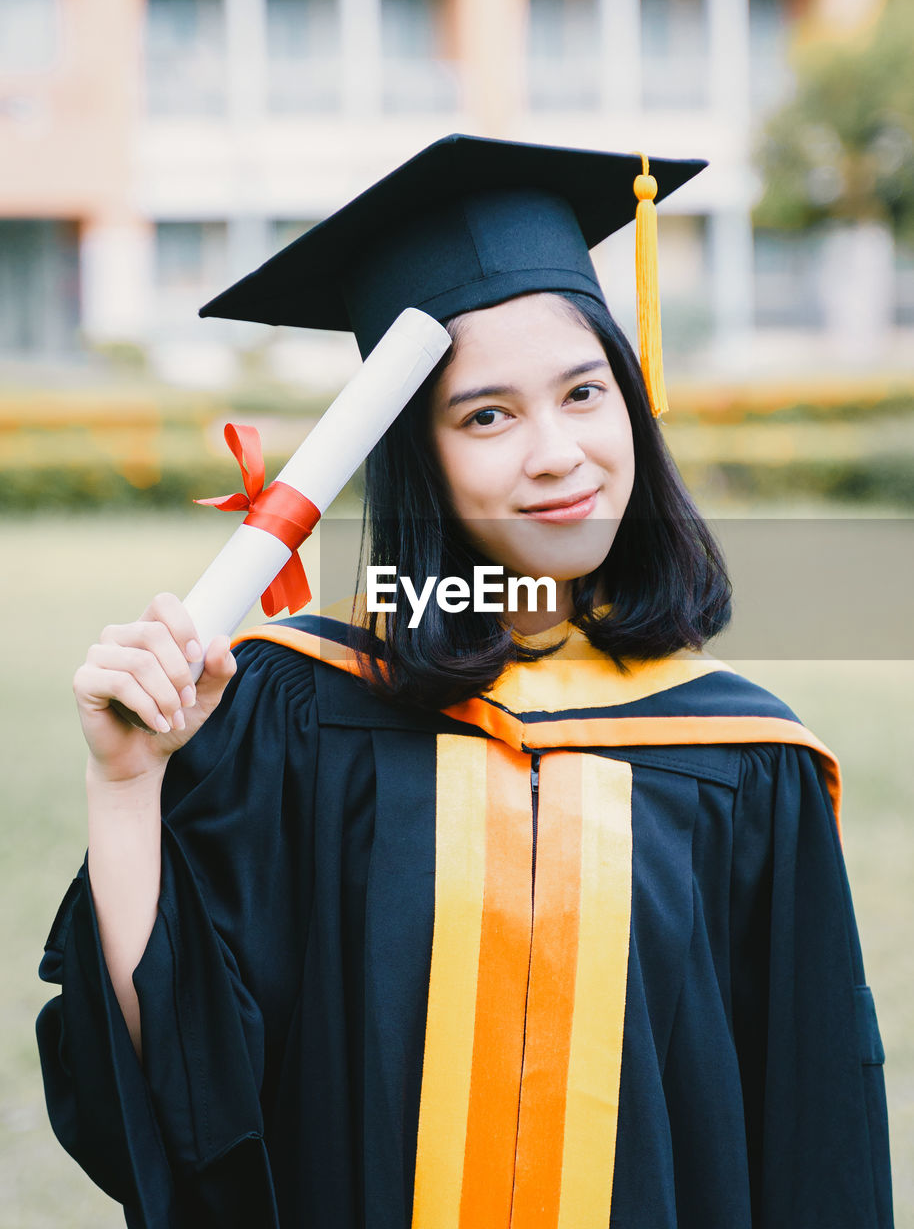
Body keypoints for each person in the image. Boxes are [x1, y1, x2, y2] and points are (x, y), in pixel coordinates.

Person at [38, 136, 893, 1229]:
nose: (556, 453)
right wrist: (126, 783)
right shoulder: (293, 712)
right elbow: (180, 1094)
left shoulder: (741, 755)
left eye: (584, 392)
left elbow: (813, 1140)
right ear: (417, 455)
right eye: (485, 413)